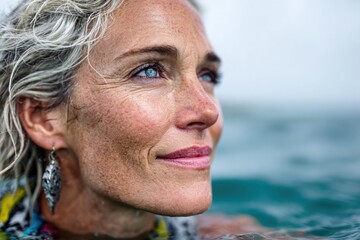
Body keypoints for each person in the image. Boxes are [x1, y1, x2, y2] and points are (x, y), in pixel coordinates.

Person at [0, 0, 228, 239]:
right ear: (42, 117)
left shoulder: (222, 232)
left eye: (207, 75)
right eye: (149, 71)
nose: (208, 111)